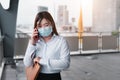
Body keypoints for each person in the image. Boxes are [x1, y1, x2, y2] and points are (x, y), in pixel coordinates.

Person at [23, 11, 70, 80]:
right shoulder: (35, 42)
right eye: (40, 26)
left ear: (52, 24)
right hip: (36, 76)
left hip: (54, 77)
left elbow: (65, 64)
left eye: (46, 25)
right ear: (36, 28)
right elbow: (27, 63)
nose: (43, 28)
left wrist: (41, 60)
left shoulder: (61, 41)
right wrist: (32, 43)